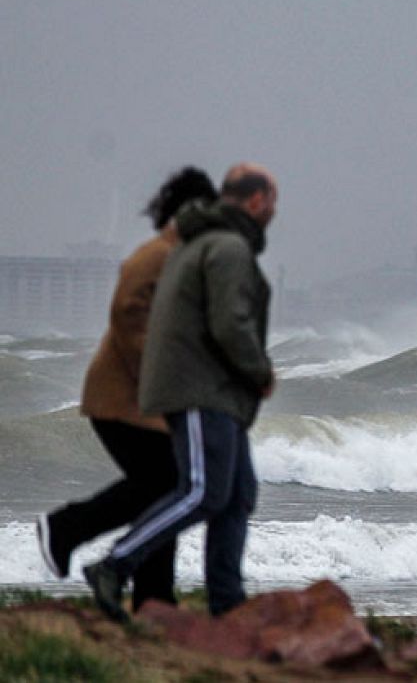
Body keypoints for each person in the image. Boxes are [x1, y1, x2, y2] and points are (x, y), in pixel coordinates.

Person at [83, 162, 278, 622]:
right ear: (255, 200)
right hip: (202, 390)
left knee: (236, 495)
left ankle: (227, 605)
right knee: (204, 492)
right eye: (273, 200)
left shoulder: (201, 242)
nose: (274, 210)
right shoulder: (226, 247)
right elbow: (230, 324)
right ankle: (114, 566)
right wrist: (258, 371)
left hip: (214, 393)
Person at [36, 167, 218, 611]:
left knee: (166, 490)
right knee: (166, 484)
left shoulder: (183, 258)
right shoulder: (155, 255)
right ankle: (64, 529)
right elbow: (127, 316)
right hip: (122, 400)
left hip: (151, 404)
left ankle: (154, 600)